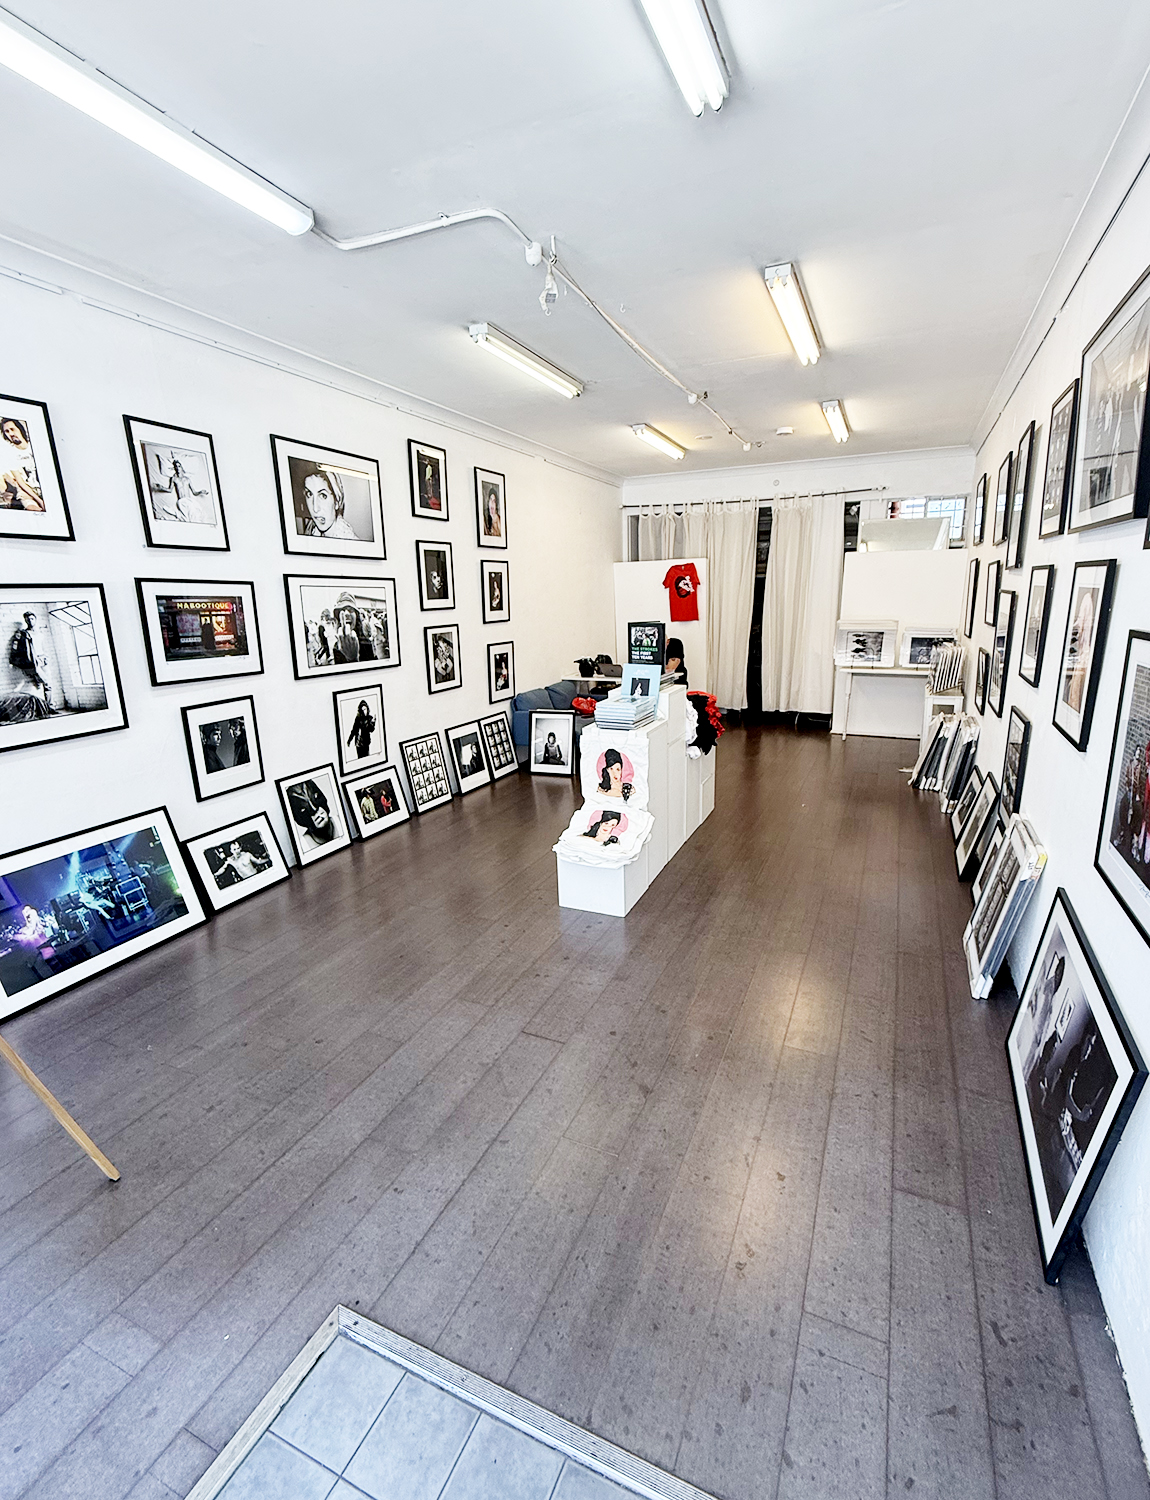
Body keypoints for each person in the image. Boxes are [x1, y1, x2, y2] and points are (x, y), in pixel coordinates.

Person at [9, 610, 54, 710]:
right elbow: (16, 647)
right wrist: (13, 660)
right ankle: (48, 707)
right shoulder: (24, 634)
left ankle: (50, 707)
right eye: (28, 619)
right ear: (25, 621)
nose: (30, 621)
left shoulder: (40, 633)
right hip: (33, 661)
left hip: (43, 660)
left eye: (32, 619)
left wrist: (46, 657)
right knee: (44, 682)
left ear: (35, 620)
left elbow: (44, 646)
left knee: (48, 684)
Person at [298, 464, 357, 540]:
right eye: (309, 494)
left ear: (337, 501)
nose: (315, 509)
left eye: (323, 496)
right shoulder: (311, 530)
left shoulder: (348, 540)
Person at [149, 452, 210, 524]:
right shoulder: (174, 478)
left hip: (190, 500)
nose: (177, 468)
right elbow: (169, 490)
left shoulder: (187, 479)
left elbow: (194, 492)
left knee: (195, 516)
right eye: (176, 467)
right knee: (187, 518)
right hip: (181, 501)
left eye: (179, 466)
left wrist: (201, 492)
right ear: (174, 468)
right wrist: (161, 488)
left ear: (181, 467)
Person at [0, 416, 44, 510]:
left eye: (12, 429)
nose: (11, 434)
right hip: (27, 490)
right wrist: (40, 501)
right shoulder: (10, 454)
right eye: (7, 431)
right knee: (33, 508)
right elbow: (20, 482)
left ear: (19, 429)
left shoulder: (34, 446)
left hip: (43, 486)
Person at [286, 778, 336, 845]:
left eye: (316, 798)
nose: (314, 810)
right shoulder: (304, 845)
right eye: (303, 809)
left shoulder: (341, 823)